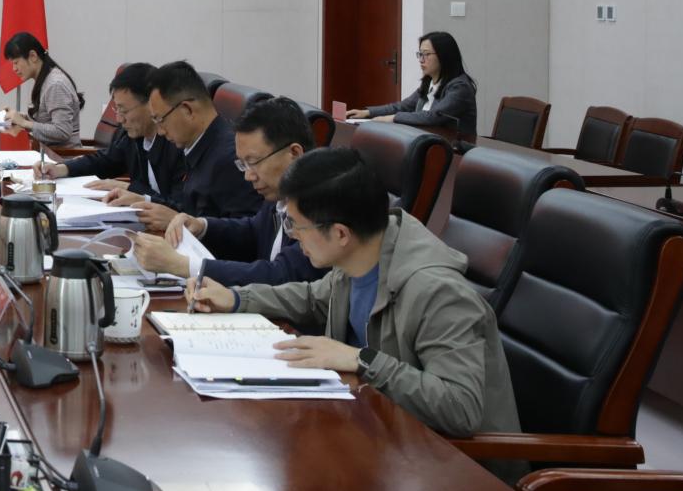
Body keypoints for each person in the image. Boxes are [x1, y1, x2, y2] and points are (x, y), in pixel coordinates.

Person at [186, 147, 520, 446]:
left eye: (296, 226)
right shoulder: (360, 257)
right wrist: (235, 298)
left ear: (340, 233)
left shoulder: (438, 292)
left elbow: (460, 408)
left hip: (456, 468)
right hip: (381, 433)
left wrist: (361, 359)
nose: (293, 236)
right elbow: (312, 298)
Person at [131, 95, 319, 288]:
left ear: (294, 153)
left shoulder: (320, 205)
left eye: (253, 162)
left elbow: (281, 275)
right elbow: (253, 231)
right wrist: (202, 226)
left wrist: (183, 265)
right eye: (243, 164)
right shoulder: (280, 192)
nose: (248, 176)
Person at [131, 60, 262, 228]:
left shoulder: (229, 158)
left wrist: (180, 223)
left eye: (161, 120)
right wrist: (145, 200)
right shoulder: (198, 144)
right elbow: (191, 209)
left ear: (188, 110)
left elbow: (247, 235)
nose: (161, 132)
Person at [38, 63, 180, 199]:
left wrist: (128, 188)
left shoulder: (176, 141)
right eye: (116, 109)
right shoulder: (134, 137)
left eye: (124, 110)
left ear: (151, 104)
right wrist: (61, 168)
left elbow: (177, 204)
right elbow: (105, 161)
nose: (119, 119)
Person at [349, 30, 478, 135]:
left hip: (451, 149)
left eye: (426, 54)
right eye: (420, 54)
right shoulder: (429, 82)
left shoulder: (460, 88)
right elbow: (402, 106)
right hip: (425, 141)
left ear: (444, 56)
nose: (421, 60)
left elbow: (433, 116)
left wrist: (393, 118)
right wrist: (367, 113)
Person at [2, 32, 82, 145]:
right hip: (47, 151)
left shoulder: (55, 85)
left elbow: (62, 131)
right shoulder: (46, 79)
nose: (14, 69)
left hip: (60, 154)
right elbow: (49, 122)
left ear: (33, 56)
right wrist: (23, 119)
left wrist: (24, 123)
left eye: (16, 62)